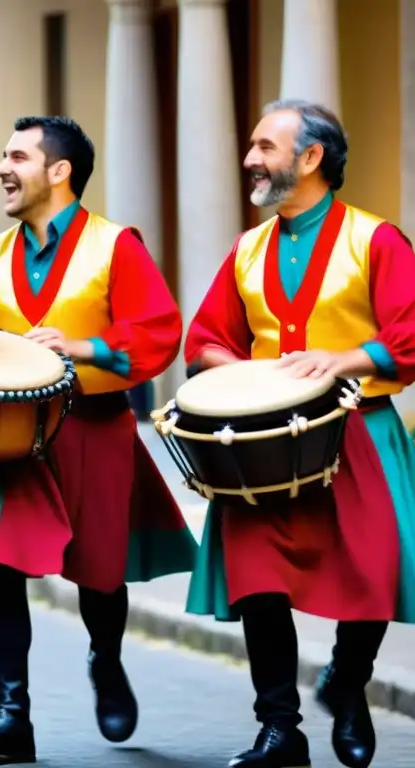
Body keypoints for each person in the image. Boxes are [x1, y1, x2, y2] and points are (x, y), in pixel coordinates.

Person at [0, 116, 198, 764]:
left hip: (92, 428)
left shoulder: (115, 246)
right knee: (1, 568)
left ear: (59, 172)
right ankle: (10, 716)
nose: (2, 166)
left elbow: (160, 332)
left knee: (100, 573)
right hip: (9, 439)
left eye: (17, 155)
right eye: (2, 152)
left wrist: (84, 346)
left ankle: (104, 658)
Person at [185, 99, 415, 768]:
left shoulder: (376, 240)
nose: (251, 158)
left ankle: (347, 681)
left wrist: (343, 359)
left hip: (360, 431)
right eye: (253, 145)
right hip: (259, 444)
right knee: (258, 578)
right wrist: (242, 371)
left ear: (311, 158)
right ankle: (279, 729)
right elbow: (205, 339)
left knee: (375, 571)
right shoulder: (246, 249)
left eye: (265, 146)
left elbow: (409, 332)